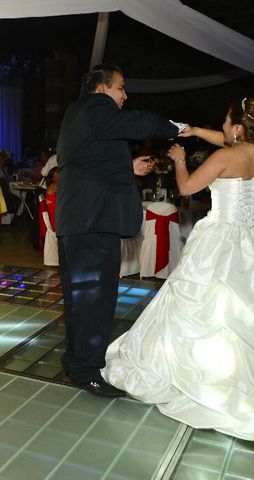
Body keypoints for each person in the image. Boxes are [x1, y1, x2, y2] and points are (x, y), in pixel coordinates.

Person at [102, 98, 254, 443]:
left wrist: (180, 161)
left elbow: (186, 188)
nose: (223, 127)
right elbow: (227, 143)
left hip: (224, 239)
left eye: (227, 122)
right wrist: (196, 131)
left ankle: (212, 381)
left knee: (211, 307)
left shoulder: (225, 157)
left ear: (239, 128)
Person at [56, 63, 181, 397]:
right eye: (120, 88)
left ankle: (76, 362)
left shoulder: (79, 115)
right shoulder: (96, 106)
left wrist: (128, 165)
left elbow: (87, 160)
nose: (125, 96)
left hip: (79, 221)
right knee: (96, 301)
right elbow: (138, 122)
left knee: (80, 300)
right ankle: (89, 371)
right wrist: (176, 128)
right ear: (102, 90)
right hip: (93, 222)